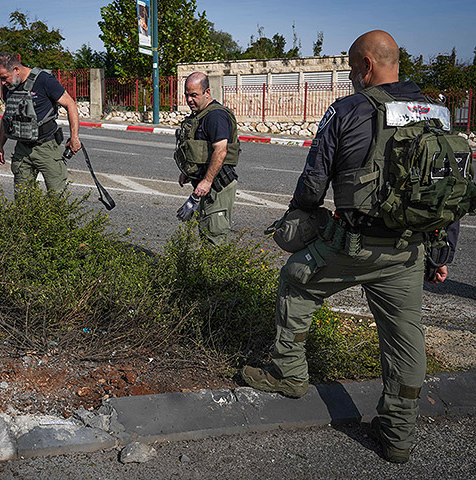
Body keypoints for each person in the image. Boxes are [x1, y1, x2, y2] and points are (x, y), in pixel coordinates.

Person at [241, 30, 460, 464]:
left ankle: (288, 372)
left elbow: (313, 182)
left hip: (353, 246)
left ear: (366, 65)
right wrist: (442, 253)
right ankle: (397, 435)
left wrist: (299, 219)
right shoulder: (438, 113)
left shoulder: (347, 110)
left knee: (295, 281)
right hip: (410, 250)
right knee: (405, 337)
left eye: (351, 68)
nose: (350, 75)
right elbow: (447, 190)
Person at [0, 53, 81, 194]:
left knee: (56, 197)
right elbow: (7, 116)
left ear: (16, 69)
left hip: (46, 147)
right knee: (23, 199)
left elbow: (70, 104)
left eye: (4, 77)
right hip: (22, 148)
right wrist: (0, 146)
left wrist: (74, 137)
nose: (2, 83)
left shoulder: (44, 80)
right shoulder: (9, 86)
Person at [175, 72, 240, 245]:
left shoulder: (216, 116)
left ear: (207, 92)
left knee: (214, 239)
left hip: (218, 186)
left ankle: (215, 273)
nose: (189, 100)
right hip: (206, 185)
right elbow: (201, 150)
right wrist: (189, 173)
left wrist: (207, 180)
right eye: (187, 95)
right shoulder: (199, 115)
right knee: (206, 234)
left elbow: (220, 151)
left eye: (194, 95)